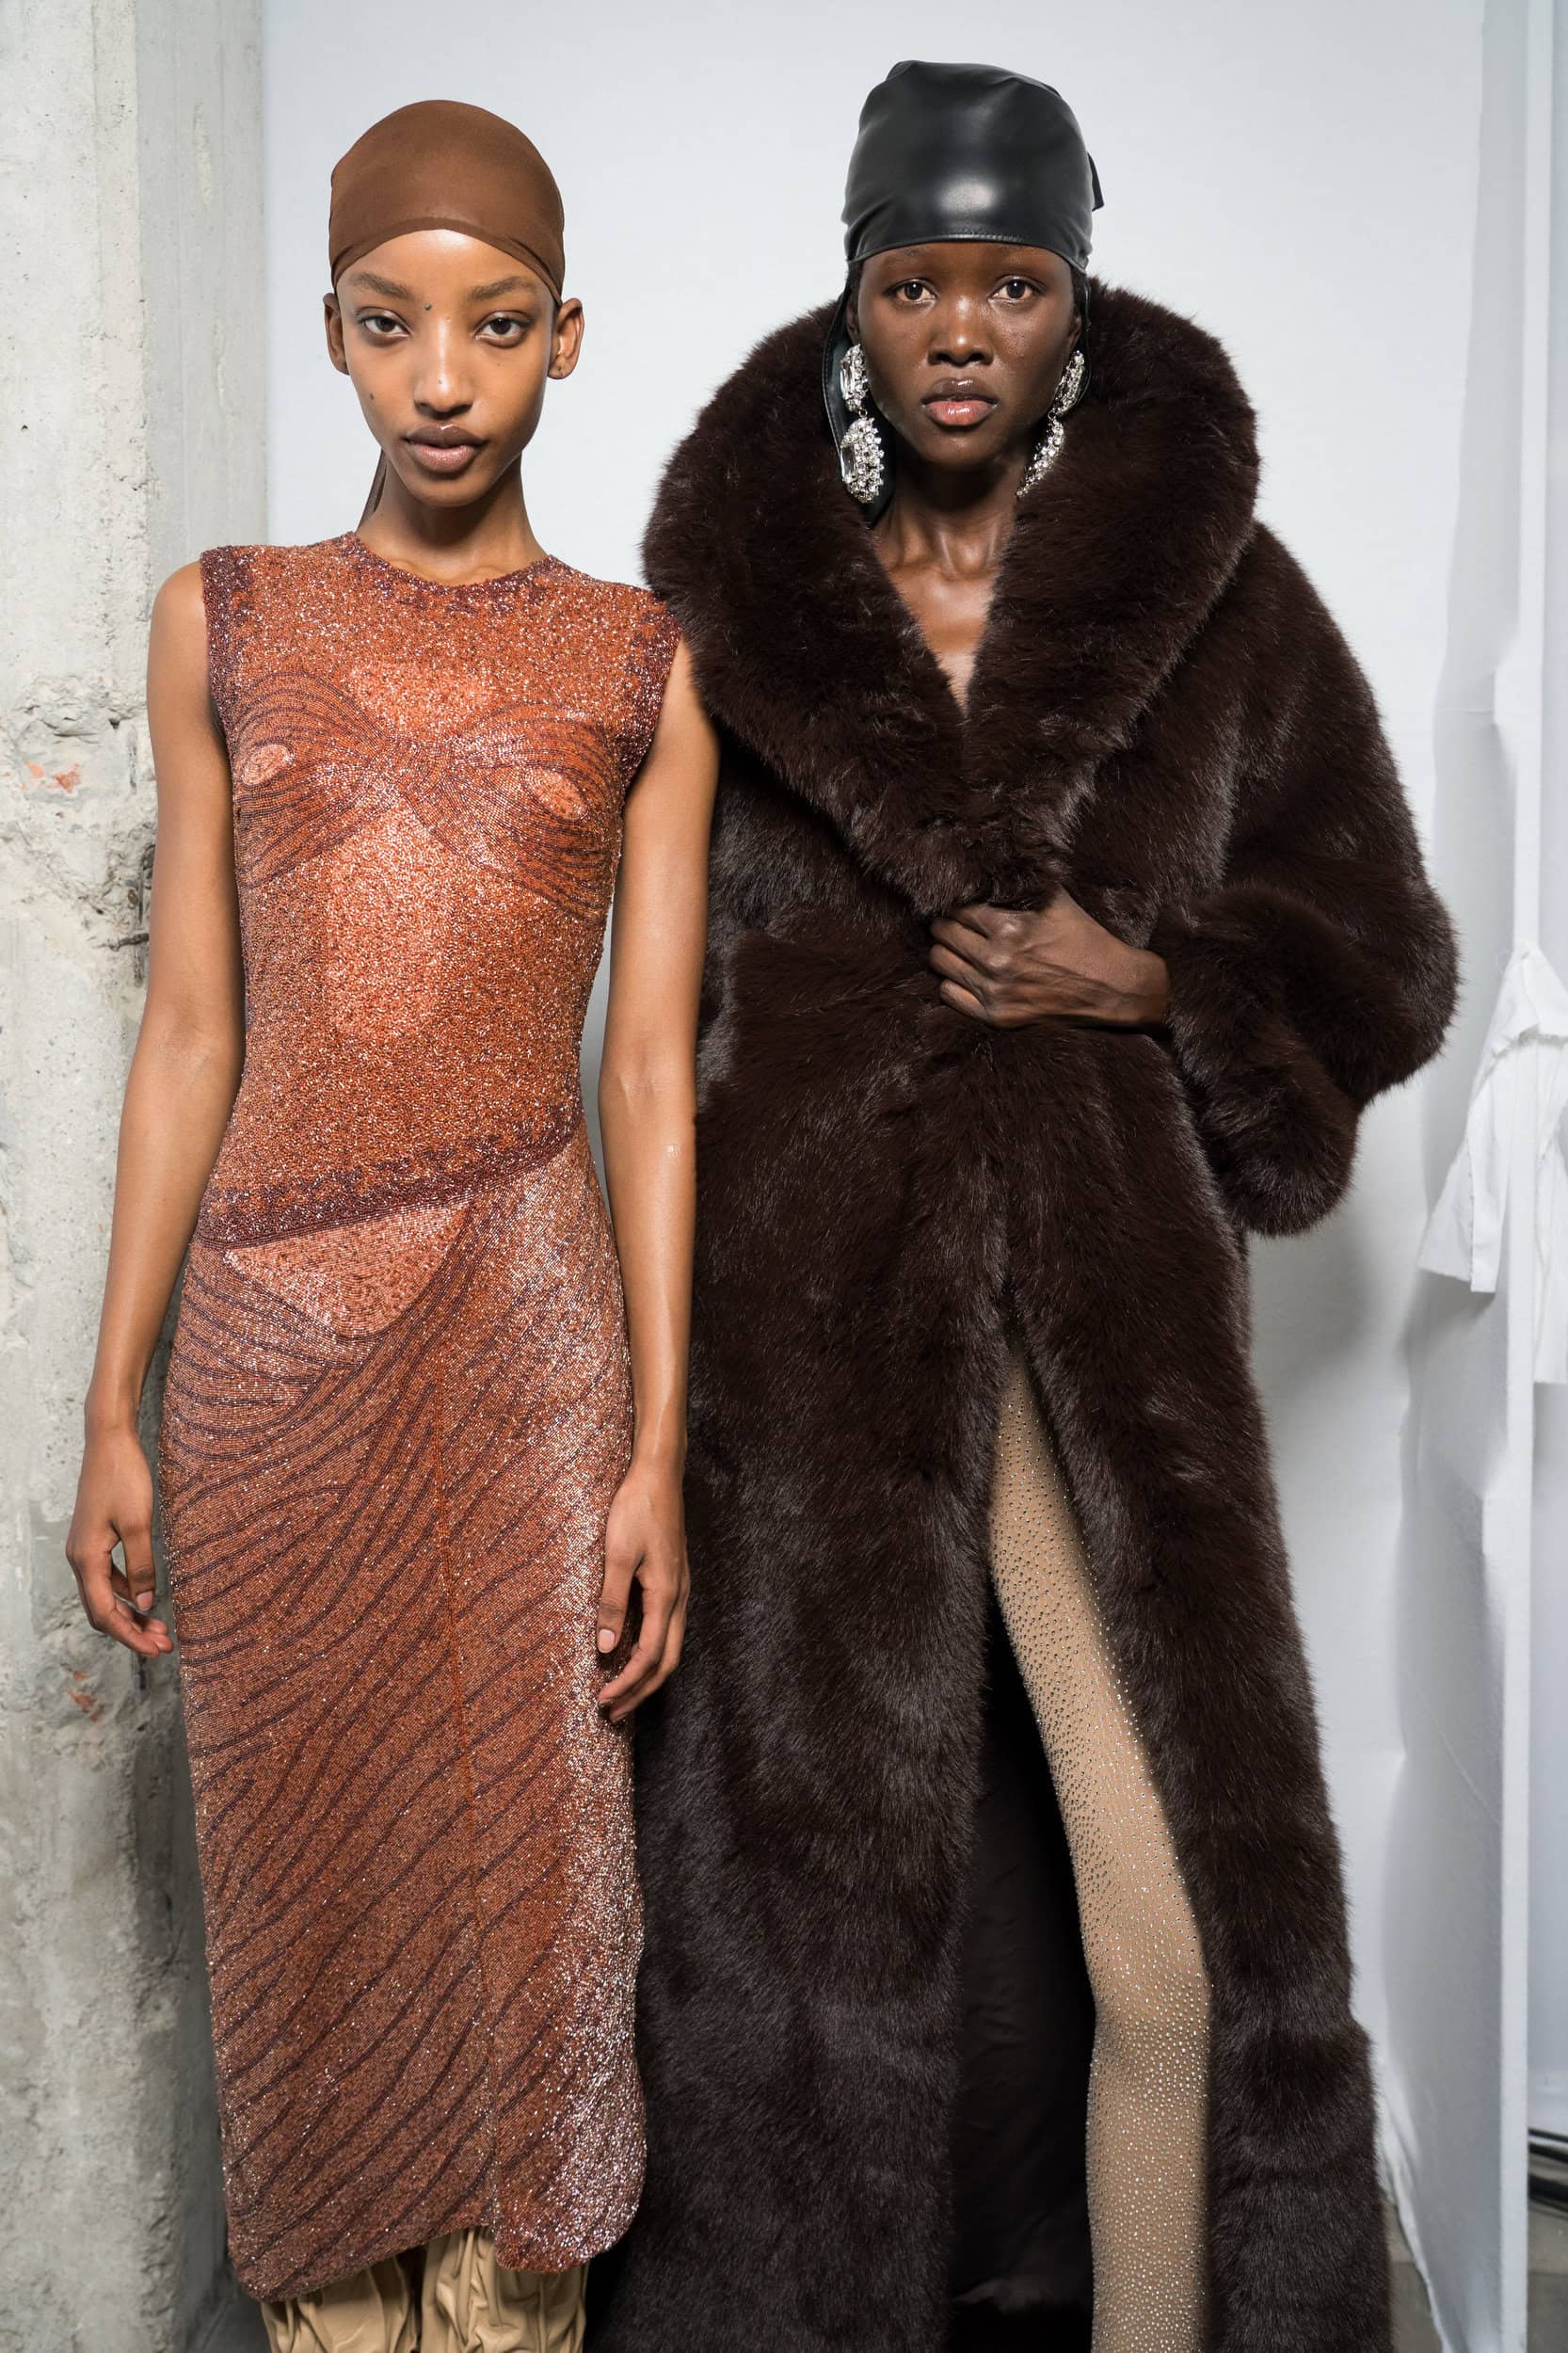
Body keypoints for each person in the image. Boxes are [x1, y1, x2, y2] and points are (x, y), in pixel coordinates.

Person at [589, 60, 1459, 2353]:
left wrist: (1145, 977)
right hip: (804, 1332)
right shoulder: (727, 618)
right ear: (850, 299)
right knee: (798, 1938)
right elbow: (649, 1016)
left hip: (1102, 1328)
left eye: (1010, 280)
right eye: (913, 281)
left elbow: (1382, 946)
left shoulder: (1212, 594)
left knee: (1177, 1939)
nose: (959, 327)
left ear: (1075, 299)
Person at [65, 99, 717, 2353]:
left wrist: (656, 1440)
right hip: (265, 1366)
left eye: (494, 325)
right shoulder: (224, 622)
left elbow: (649, 1077)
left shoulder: (644, 660)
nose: (442, 378)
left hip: (531, 1350)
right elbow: (188, 1032)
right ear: (333, 333)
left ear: (566, 337)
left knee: (536, 1910)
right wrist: (113, 1398)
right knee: (310, 1897)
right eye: (389, 323)